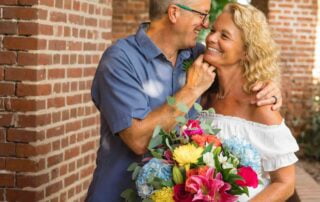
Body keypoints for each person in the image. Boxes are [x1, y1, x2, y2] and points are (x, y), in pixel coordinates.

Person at [86, 1, 282, 201]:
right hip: (118, 195)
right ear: (174, 13)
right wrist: (192, 89)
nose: (206, 25)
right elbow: (139, 141)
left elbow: (239, 74)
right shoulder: (120, 60)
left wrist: (269, 89)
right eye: (202, 15)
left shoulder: (199, 56)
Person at [200, 2, 299, 201]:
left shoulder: (261, 105)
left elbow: (286, 183)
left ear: (246, 51)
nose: (211, 38)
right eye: (213, 30)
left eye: (224, 36)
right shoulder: (202, 92)